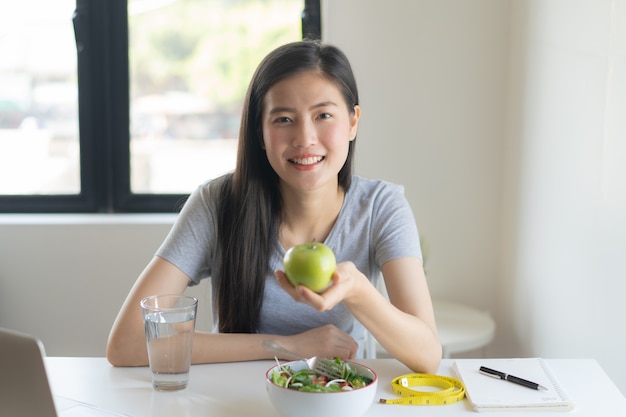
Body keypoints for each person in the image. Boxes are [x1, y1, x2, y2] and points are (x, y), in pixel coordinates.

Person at [106, 40, 441, 374]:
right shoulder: (216, 204)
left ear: (353, 121)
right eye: (283, 119)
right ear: (260, 132)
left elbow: (427, 356)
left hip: (337, 397)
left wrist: (358, 291)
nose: (305, 138)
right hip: (234, 400)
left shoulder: (381, 207)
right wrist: (289, 346)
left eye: (323, 115)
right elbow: (127, 343)